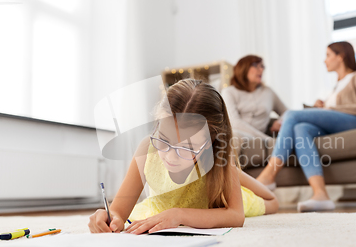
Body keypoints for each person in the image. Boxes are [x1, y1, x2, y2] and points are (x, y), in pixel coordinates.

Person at [89, 79, 279, 234]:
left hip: (215, 202)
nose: (171, 156)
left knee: (271, 202)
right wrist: (109, 218)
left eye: (187, 148)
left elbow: (236, 215)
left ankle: (235, 176)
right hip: (164, 207)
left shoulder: (219, 157)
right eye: (163, 140)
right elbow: (118, 212)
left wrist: (179, 215)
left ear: (210, 142)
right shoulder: (147, 147)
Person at [256, 41, 356, 212]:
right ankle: (321, 194)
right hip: (338, 123)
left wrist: (331, 108)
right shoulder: (336, 86)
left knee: (291, 115)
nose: (324, 60)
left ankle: (269, 175)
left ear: (340, 56)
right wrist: (323, 106)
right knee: (300, 129)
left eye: (328, 55)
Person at [221, 55, 288, 139]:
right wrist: (266, 139)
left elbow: (287, 112)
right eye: (256, 66)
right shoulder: (228, 92)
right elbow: (234, 123)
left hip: (258, 141)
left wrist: (280, 121)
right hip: (239, 136)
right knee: (234, 137)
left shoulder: (268, 92)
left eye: (262, 66)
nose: (261, 69)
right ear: (243, 69)